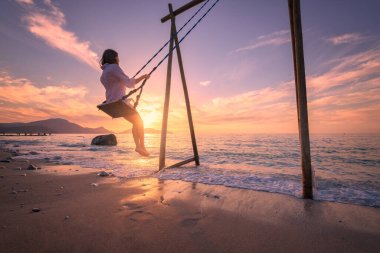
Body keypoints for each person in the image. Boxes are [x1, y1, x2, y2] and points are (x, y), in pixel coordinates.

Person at [100, 49, 150, 156]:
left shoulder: (104, 73)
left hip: (111, 104)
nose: (119, 59)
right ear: (113, 58)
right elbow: (129, 82)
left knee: (136, 122)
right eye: (117, 57)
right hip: (120, 103)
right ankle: (140, 147)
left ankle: (139, 147)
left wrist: (129, 80)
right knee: (139, 121)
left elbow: (121, 82)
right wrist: (143, 77)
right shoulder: (114, 67)